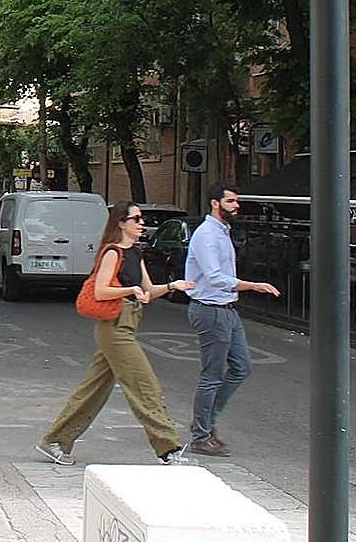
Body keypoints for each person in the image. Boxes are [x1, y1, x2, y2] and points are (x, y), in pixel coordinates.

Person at [36, 202, 195, 467]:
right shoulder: (112, 252)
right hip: (115, 328)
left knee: (93, 391)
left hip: (127, 323)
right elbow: (101, 291)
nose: (141, 223)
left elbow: (147, 290)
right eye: (137, 219)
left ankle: (54, 441)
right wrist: (129, 290)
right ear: (121, 223)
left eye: (142, 219)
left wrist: (171, 286)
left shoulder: (134, 252)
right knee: (144, 385)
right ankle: (169, 449)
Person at [184, 183, 281, 457]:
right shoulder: (207, 235)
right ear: (215, 203)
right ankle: (201, 435)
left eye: (237, 201)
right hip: (211, 308)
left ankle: (205, 421)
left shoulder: (222, 232)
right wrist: (252, 285)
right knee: (212, 375)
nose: (236, 205)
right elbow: (214, 277)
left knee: (242, 367)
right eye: (231, 201)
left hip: (226, 309)